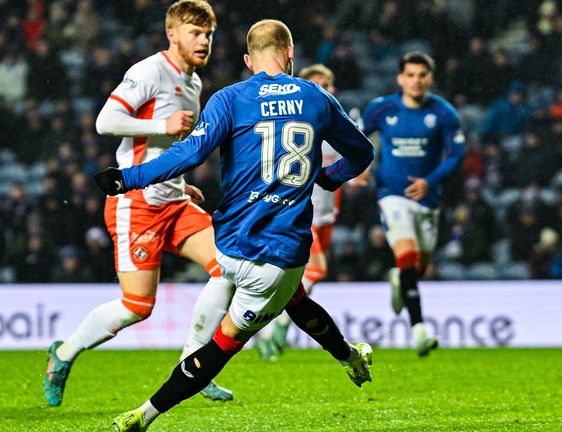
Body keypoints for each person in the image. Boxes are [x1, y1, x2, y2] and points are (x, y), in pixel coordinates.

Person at [95, 19, 375, 431]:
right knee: (225, 343)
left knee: (293, 300)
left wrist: (127, 178)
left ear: (248, 60)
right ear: (291, 55)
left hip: (225, 245)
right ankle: (145, 415)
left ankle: (350, 356)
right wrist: (329, 178)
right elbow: (362, 153)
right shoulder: (316, 97)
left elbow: (188, 155)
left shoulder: (229, 98)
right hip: (276, 259)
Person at [43, 0, 235, 406]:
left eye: (208, 34)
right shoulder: (149, 71)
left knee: (229, 270)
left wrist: (181, 185)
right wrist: (158, 124)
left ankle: (194, 367)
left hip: (174, 201)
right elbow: (105, 121)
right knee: (137, 306)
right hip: (137, 203)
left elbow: (168, 150)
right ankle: (63, 354)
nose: (203, 41)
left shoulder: (194, 82)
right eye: (195, 32)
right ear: (172, 33)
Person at [254, 64, 368, 360]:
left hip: (328, 211)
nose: (323, 89)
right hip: (301, 209)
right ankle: (273, 324)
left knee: (302, 278)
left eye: (327, 83)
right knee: (316, 270)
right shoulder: (297, 121)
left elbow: (353, 158)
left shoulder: (341, 119)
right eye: (315, 83)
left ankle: (268, 328)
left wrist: (355, 174)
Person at [362, 51, 465, 356]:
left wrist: (429, 182)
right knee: (407, 256)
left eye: (422, 75)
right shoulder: (382, 109)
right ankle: (419, 329)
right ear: (400, 78)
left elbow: (456, 155)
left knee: (415, 268)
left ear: (430, 78)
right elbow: (356, 137)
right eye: (410, 75)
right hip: (392, 194)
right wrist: (361, 165)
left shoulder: (444, 113)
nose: (416, 81)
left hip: (427, 200)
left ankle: (398, 277)